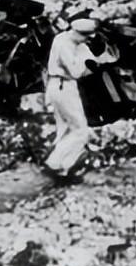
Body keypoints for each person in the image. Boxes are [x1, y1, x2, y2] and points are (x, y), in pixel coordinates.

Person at [43, 16, 100, 181]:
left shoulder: (63, 38)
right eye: (86, 37)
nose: (86, 41)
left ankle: (63, 170)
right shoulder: (65, 45)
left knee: (65, 128)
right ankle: (54, 163)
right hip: (64, 86)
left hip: (58, 86)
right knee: (80, 131)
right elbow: (76, 72)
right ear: (78, 33)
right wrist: (86, 60)